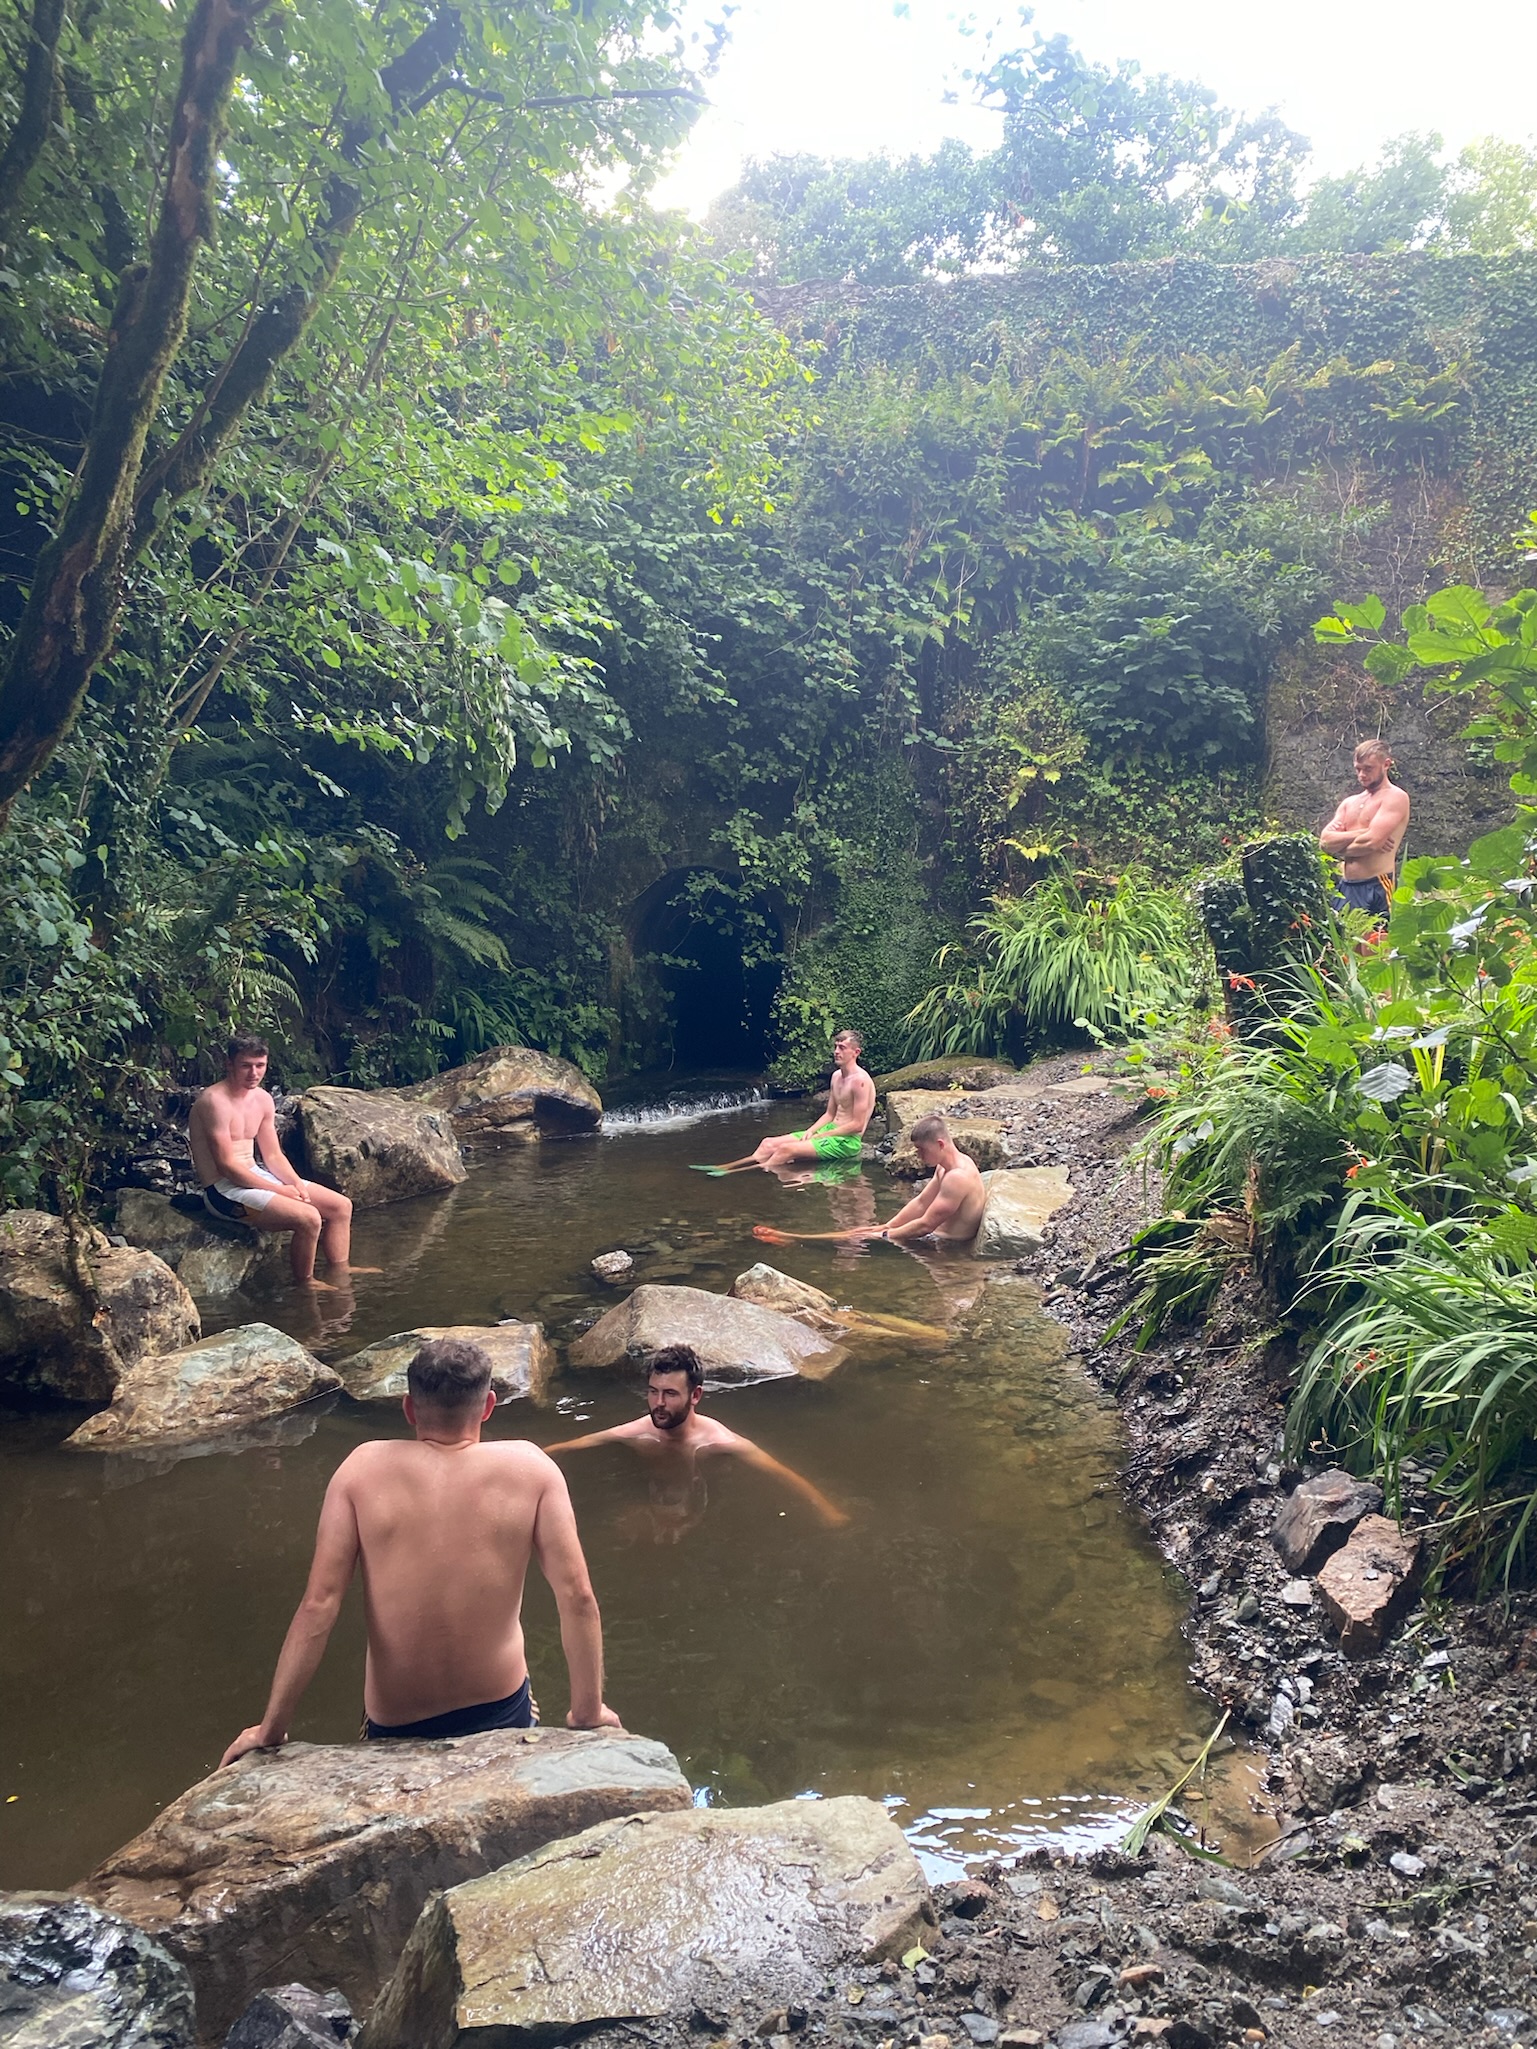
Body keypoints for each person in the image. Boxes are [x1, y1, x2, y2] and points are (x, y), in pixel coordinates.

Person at [220, 1338, 619, 1760]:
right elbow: (577, 1596)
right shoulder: (532, 1468)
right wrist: (587, 1710)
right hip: (503, 1710)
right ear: (488, 1406)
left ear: (409, 1408)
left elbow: (319, 1606)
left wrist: (272, 1728)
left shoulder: (361, 1470)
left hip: (395, 1725)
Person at [546, 1345, 850, 1530]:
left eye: (670, 1394)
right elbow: (569, 1447)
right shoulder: (639, 1432)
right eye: (653, 1392)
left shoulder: (718, 1441)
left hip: (705, 1499)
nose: (658, 1404)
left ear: (696, 1395)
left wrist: (826, 1509)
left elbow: (781, 1474)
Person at [188, 1034, 365, 1288]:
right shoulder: (213, 1102)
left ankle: (341, 1271)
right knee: (309, 1218)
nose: (254, 1073)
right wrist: (280, 1191)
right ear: (229, 1065)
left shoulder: (262, 1100)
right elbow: (227, 1165)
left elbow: (272, 1155)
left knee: (341, 1207)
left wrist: (296, 1185)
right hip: (223, 1193)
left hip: (255, 1176)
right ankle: (306, 1283)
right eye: (246, 1065)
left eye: (260, 1066)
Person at [696, 1030, 875, 1174]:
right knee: (768, 1143)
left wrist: (822, 1136)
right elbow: (829, 1114)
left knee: (785, 1151)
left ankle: (737, 1174)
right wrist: (811, 1131)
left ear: (856, 1052)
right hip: (829, 1132)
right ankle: (724, 1167)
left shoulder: (860, 1081)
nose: (836, 1051)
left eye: (842, 1048)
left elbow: (858, 1125)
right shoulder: (836, 1076)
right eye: (836, 1046)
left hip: (846, 1141)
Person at [1319, 739, 1410, 926]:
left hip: (1376, 885)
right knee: (1343, 949)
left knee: (1375, 949)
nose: (1362, 775)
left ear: (1386, 765)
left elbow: (1371, 843)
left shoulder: (1395, 797)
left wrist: (1340, 848)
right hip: (1345, 886)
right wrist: (1364, 831)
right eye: (1358, 769)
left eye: (1368, 769)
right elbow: (1325, 842)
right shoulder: (1349, 803)